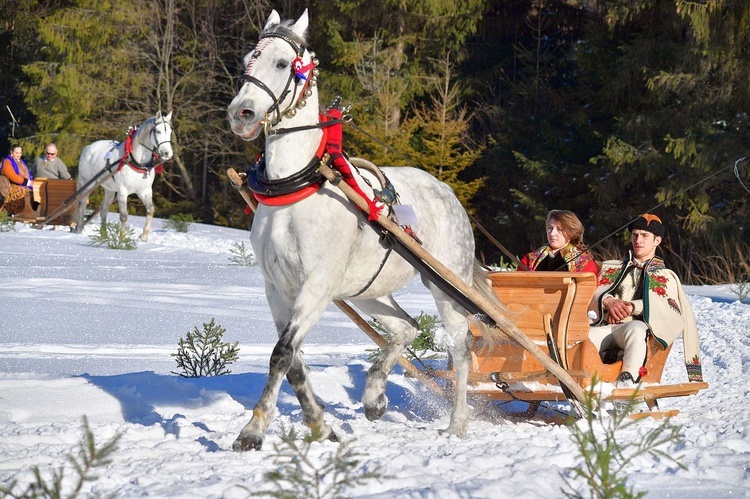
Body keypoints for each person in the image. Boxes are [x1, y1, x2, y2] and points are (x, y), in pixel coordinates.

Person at [588, 214, 703, 387]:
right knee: (576, 337)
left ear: (657, 240)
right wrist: (609, 302)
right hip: (603, 327)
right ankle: (554, 381)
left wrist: (631, 307)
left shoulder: (665, 276)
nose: (638, 240)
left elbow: (666, 308)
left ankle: (628, 380)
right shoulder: (612, 267)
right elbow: (590, 291)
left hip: (633, 331)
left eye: (644, 236)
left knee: (636, 328)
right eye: (635, 235)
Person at [518, 209, 597, 272]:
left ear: (571, 232)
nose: (552, 233)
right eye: (550, 228)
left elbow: (586, 286)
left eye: (560, 229)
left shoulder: (583, 261)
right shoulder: (529, 259)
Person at [1, 145, 33, 215]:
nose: (19, 155)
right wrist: (27, 182)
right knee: (23, 194)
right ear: (11, 153)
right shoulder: (7, 162)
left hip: (26, 185)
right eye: (16, 153)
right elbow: (13, 176)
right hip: (13, 186)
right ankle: (18, 212)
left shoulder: (21, 162)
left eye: (20, 153)